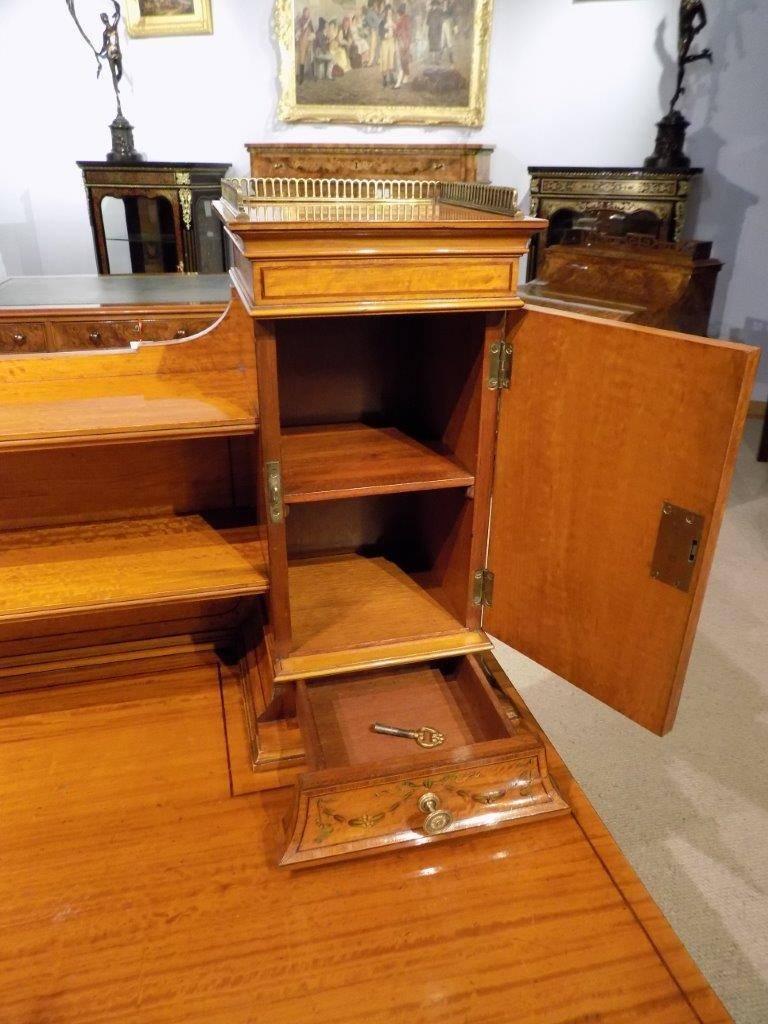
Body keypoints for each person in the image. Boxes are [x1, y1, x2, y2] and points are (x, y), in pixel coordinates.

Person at [295, 7, 315, 85]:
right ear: (304, 13)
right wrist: (307, 22)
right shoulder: (301, 20)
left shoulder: (310, 21)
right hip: (302, 41)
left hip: (308, 41)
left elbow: (312, 30)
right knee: (302, 59)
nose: (308, 14)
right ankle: (301, 77)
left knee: (309, 57)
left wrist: (312, 35)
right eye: (306, 12)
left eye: (308, 12)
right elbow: (302, 29)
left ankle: (310, 74)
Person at [379, 4, 397, 87]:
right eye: (388, 12)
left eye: (390, 12)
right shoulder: (382, 22)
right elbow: (380, 33)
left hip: (391, 41)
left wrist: (394, 31)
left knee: (391, 59)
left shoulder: (393, 21)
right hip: (385, 42)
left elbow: (396, 31)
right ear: (386, 13)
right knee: (384, 59)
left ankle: (391, 76)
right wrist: (385, 35)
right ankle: (384, 78)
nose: (389, 14)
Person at [394, 3, 412, 88]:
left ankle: (406, 75)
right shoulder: (401, 19)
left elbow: (407, 30)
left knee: (404, 59)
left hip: (404, 41)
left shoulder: (405, 19)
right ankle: (404, 75)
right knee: (402, 59)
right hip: (401, 40)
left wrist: (406, 41)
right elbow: (397, 30)